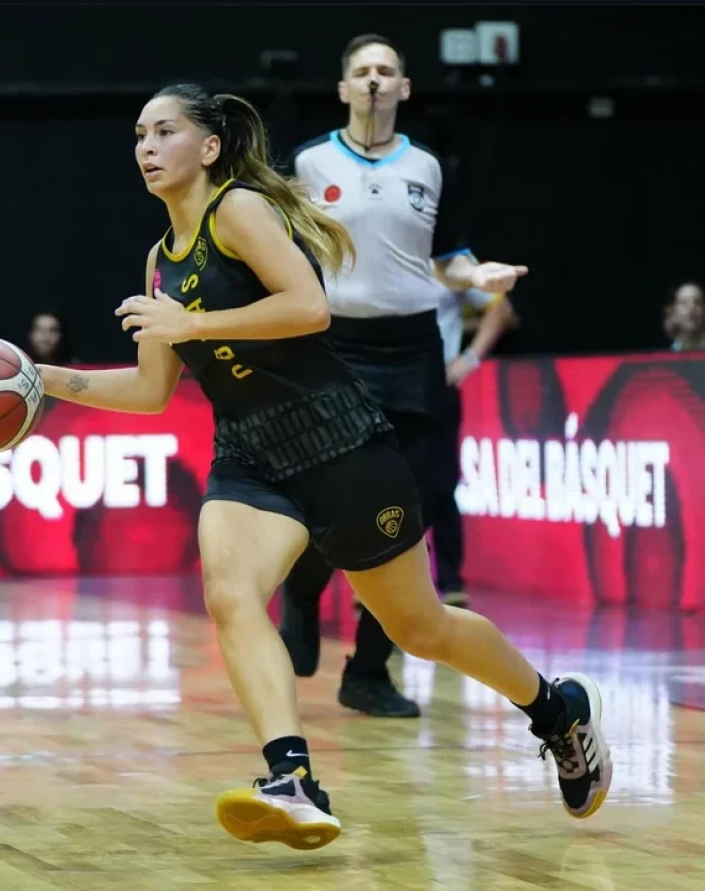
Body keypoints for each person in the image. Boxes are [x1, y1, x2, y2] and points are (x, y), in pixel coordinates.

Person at [36, 82, 612, 851]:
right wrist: (42, 385)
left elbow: (309, 306)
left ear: (208, 147)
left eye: (163, 131)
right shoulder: (159, 260)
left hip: (337, 442)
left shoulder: (238, 209)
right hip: (249, 455)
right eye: (138, 134)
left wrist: (193, 322)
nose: (145, 146)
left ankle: (557, 708)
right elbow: (150, 389)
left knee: (421, 627)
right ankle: (293, 777)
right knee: (230, 592)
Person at [278, 33, 518, 716]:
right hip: (337, 344)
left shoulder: (431, 166)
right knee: (331, 498)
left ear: (404, 89)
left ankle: (369, 671)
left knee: (402, 515)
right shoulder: (309, 161)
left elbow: (448, 260)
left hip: (413, 349)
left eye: (387, 70)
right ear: (344, 89)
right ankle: (301, 593)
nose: (375, 80)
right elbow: (282, 252)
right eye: (362, 71)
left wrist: (481, 276)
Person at [430, 260, 518, 609]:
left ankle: (450, 581)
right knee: (382, 479)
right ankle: (375, 578)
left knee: (441, 481)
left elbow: (501, 309)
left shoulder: (450, 259)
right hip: (382, 378)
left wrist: (468, 359)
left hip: (437, 383)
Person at [663, 281, 705, 351]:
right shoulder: (664, 355)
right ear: (673, 312)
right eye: (684, 303)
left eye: (697, 302)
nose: (691, 308)